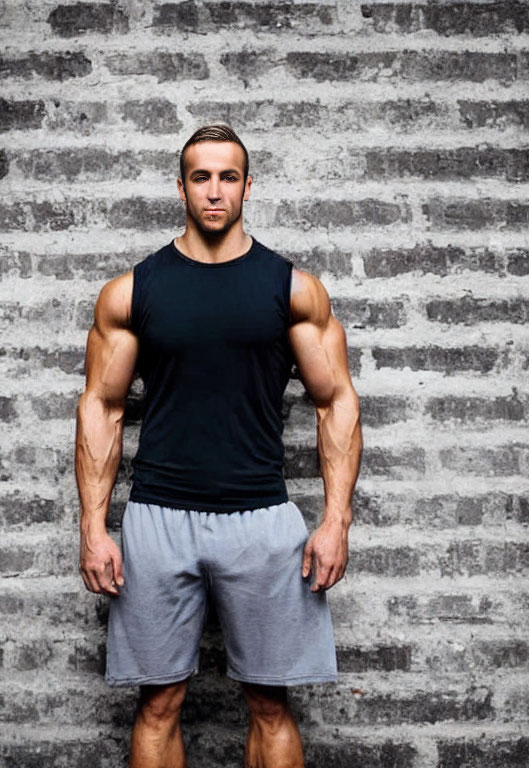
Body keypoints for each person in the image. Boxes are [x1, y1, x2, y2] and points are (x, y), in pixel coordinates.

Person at [74, 124, 362, 768]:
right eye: (200, 177)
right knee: (158, 703)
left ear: (247, 186)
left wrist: (335, 521)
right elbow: (102, 406)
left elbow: (336, 401)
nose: (214, 190)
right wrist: (94, 526)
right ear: (180, 187)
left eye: (228, 176)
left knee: (269, 704)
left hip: (262, 520)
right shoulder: (132, 292)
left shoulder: (293, 290)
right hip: (158, 518)